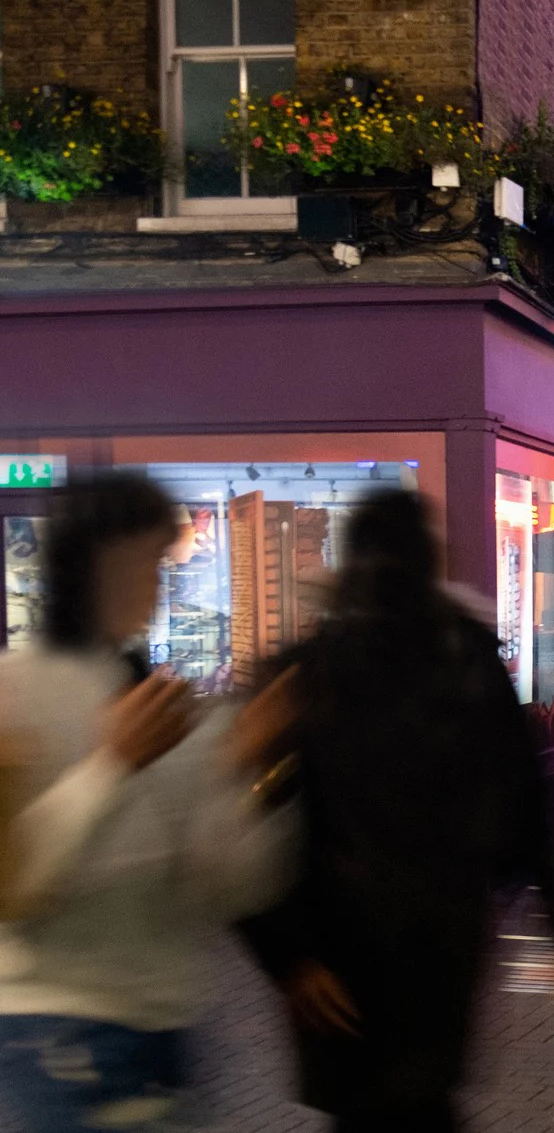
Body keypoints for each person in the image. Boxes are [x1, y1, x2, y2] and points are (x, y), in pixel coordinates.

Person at [239, 490, 554, 1133]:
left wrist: (287, 956)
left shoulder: (308, 670)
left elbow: (252, 826)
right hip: (442, 931)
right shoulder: (470, 658)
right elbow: (526, 788)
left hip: (338, 941)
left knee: (370, 1109)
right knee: (422, 1100)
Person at [0, 474, 298, 1133]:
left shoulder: (167, 699)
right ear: (80, 567)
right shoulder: (14, 693)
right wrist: (111, 766)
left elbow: (226, 886)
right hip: (56, 1028)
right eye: (136, 565)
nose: (154, 587)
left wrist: (248, 767)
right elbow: (10, 885)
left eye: (158, 565)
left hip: (166, 1027)